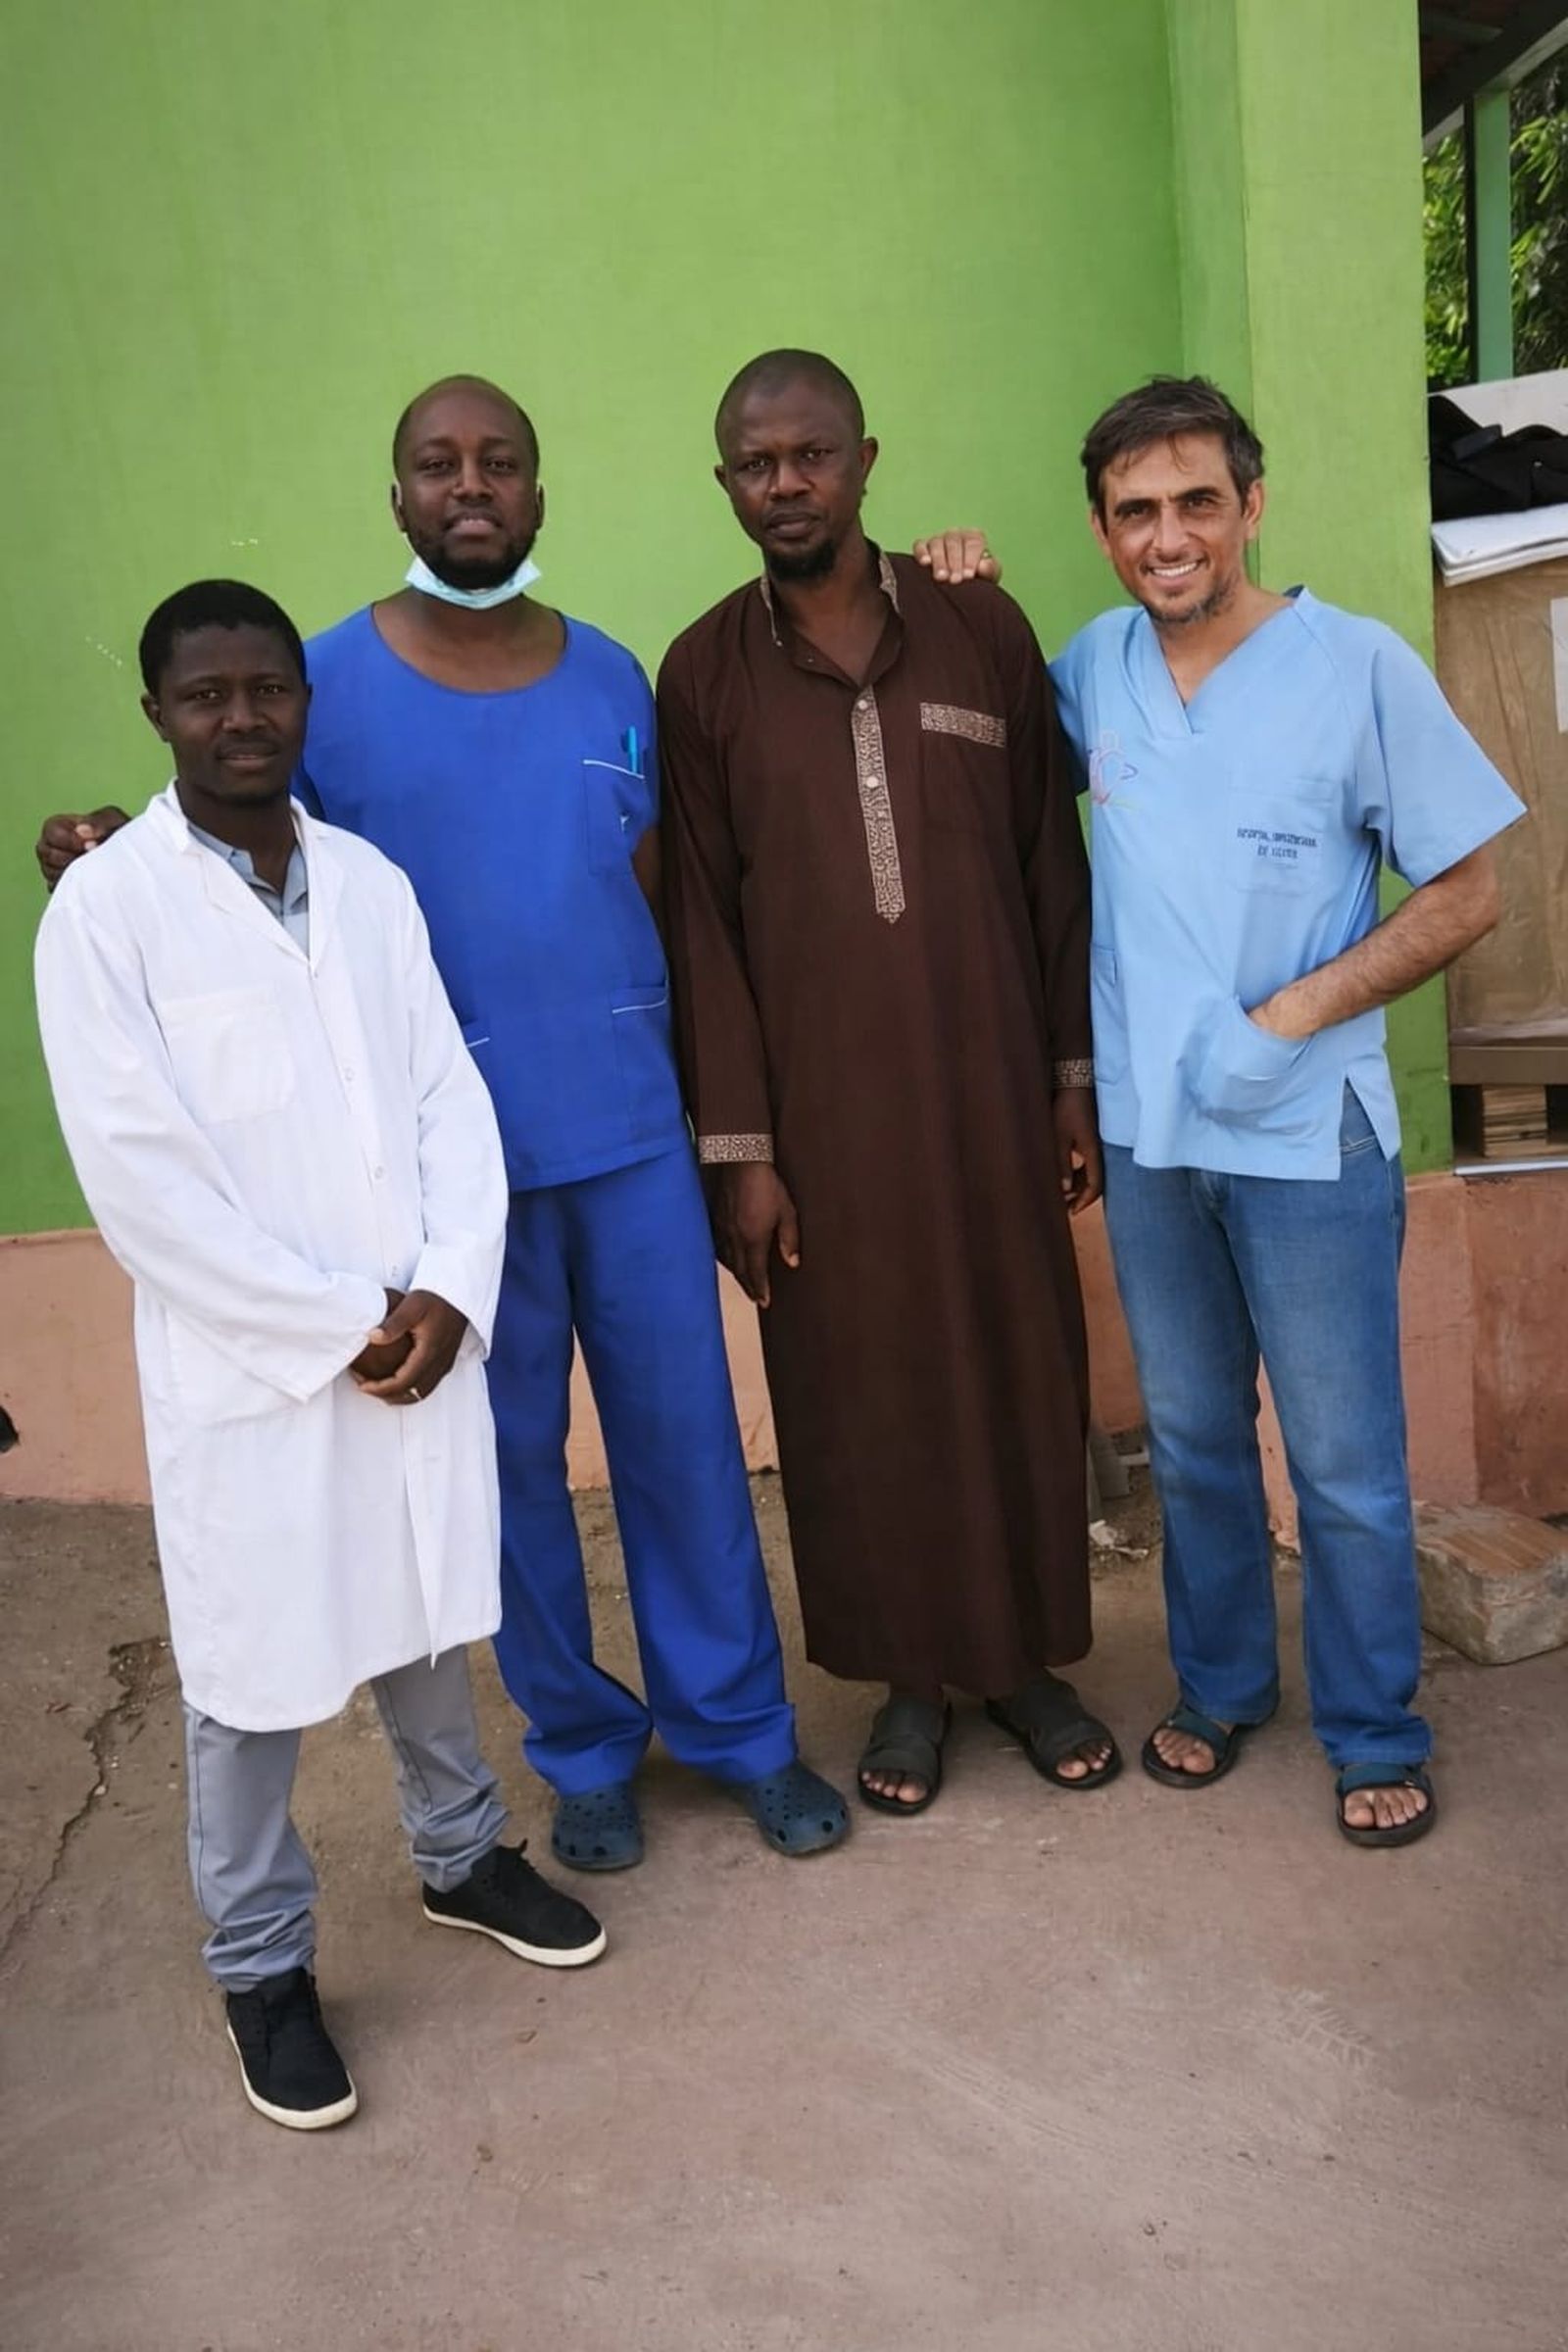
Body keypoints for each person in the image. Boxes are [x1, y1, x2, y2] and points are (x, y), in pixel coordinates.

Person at [35, 377, 848, 1873]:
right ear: (395, 494)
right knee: (509, 1473)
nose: (471, 486)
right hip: (443, 1187)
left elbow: (676, 910)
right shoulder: (321, 687)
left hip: (632, 1141)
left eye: (503, 463)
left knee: (688, 1453)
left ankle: (740, 1730)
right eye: (438, 464)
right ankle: (585, 1749)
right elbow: (239, 845)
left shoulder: (612, 677)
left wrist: (728, 1135)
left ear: (541, 493)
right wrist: (100, 852)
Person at [34, 580, 606, 2132]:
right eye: (205, 694)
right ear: (157, 714)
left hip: (407, 1333)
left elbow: (444, 1100)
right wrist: (330, 1326)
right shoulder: (108, 913)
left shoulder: (366, 884)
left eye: (266, 689)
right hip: (260, 1371)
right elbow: (141, 1179)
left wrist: (447, 1290)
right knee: (251, 1674)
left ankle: (463, 1856)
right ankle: (265, 1966)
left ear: (305, 701)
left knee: (422, 1613)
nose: (240, 718)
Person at [944, 374, 1522, 1846]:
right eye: (1136, 512)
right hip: (1153, 1136)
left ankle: (1374, 1724)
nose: (1169, 535)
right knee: (1195, 1434)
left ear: (1250, 507)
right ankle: (1218, 1688)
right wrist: (967, 593)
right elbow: (987, 753)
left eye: (1198, 501)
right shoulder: (1091, 668)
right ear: (1102, 530)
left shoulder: (1356, 665)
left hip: (1306, 1132)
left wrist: (1298, 1012)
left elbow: (1467, 890)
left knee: (1340, 1460)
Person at [656, 349, 1118, 1817]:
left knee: (1014, 1361)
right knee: (861, 1390)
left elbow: (1055, 861)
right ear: (725, 482)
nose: (783, 483)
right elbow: (703, 927)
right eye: (754, 463)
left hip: (989, 1093)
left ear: (866, 457)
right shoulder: (705, 670)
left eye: (810, 454)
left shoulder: (981, 627)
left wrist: (1067, 1074)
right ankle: (910, 1684)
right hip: (823, 1124)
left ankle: (1026, 1664)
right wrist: (741, 1148)